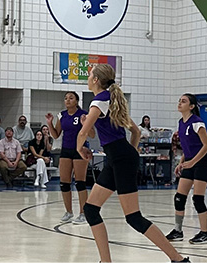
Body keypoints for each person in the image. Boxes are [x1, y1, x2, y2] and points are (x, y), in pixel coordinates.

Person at [76, 63, 189, 262]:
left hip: (119, 157)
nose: (88, 78)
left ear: (96, 80)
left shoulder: (99, 101)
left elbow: (84, 133)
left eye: (89, 74)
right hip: (118, 157)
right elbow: (134, 132)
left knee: (133, 217)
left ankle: (178, 259)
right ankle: (105, 261)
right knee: (91, 209)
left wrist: (80, 148)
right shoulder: (111, 100)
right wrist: (130, 153)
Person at [46, 91, 95, 225]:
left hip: (80, 150)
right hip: (66, 151)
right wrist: (50, 123)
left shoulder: (83, 114)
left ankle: (83, 213)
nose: (68, 100)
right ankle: (68, 212)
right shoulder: (62, 115)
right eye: (66, 98)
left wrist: (85, 123)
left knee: (80, 183)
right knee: (64, 183)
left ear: (76, 101)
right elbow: (56, 135)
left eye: (71, 98)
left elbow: (92, 134)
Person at [166, 93, 207, 244]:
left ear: (191, 106)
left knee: (197, 199)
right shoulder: (181, 122)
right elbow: (187, 147)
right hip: (189, 161)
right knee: (179, 197)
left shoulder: (197, 123)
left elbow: (206, 145)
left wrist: (193, 162)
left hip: (202, 162)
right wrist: (182, 162)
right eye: (179, 101)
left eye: (183, 101)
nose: (180, 103)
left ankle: (205, 232)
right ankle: (178, 231)